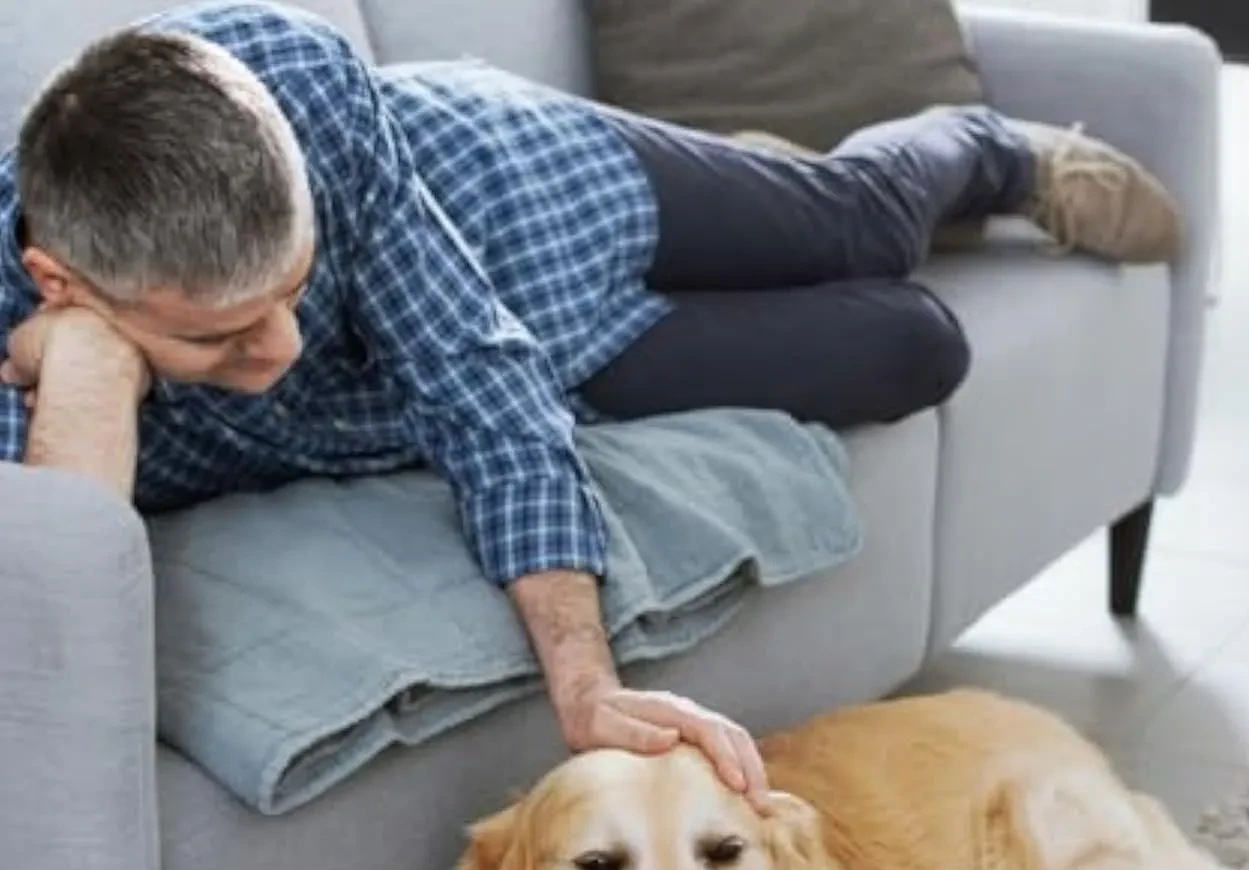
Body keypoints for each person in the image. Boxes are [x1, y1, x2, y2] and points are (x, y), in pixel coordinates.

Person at [0, 1, 1183, 809]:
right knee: (911, 342)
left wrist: (589, 681)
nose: (284, 344)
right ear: (62, 281)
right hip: (564, 364)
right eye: (220, 331)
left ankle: (985, 152)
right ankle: (767, 190)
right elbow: (54, 635)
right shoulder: (34, 349)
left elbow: (470, 373)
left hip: (523, 187)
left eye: (298, 290)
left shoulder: (297, 80)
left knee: (857, 227)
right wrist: (91, 372)